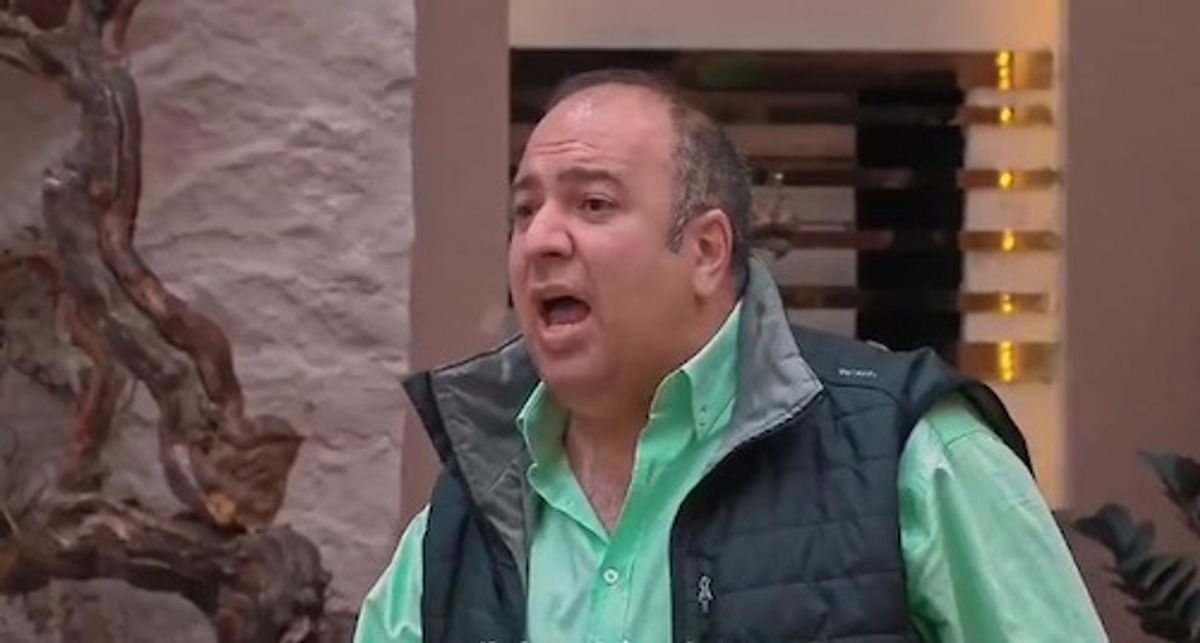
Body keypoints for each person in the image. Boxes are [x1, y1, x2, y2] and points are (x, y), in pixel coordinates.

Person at [354, 69, 1107, 643]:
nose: (541, 239)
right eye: (525, 210)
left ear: (707, 251)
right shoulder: (464, 516)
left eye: (593, 204)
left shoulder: (910, 454)